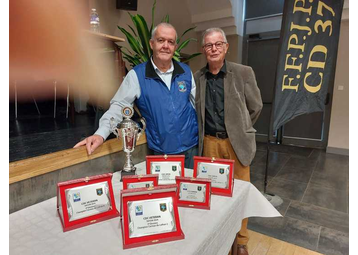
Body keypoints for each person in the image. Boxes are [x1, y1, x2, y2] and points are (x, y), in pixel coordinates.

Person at [74, 23, 198, 168]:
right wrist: (100, 134)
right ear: (152, 44)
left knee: (190, 190)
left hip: (191, 149)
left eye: (170, 42)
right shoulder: (137, 75)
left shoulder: (186, 71)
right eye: (161, 40)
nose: (166, 45)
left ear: (175, 47)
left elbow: (195, 105)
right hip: (161, 152)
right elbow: (119, 106)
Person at [194, 28, 263, 255]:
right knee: (213, 195)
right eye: (208, 45)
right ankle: (220, 239)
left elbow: (256, 107)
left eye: (218, 44)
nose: (213, 49)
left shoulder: (243, 72)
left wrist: (240, 129)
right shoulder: (198, 77)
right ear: (203, 49)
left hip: (236, 145)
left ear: (226, 47)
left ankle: (241, 242)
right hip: (209, 144)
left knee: (240, 193)